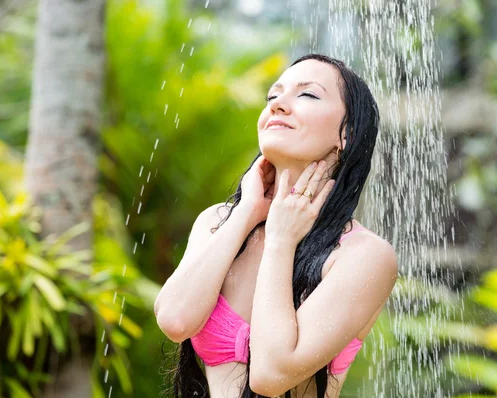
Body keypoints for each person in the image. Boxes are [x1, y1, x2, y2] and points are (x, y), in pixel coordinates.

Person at [154, 54, 399, 398]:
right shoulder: (219, 222)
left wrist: (282, 241)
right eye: (272, 96)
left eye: (308, 95)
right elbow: (175, 321)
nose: (278, 105)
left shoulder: (364, 256)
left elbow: (270, 375)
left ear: (347, 133)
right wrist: (247, 214)